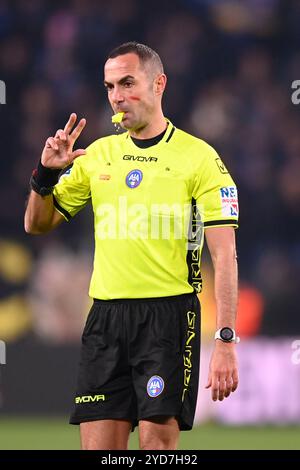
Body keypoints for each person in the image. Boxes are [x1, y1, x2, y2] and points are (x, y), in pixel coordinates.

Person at [24, 42, 239, 450]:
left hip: (169, 319)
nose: (117, 97)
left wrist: (226, 339)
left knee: (157, 447)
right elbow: (36, 224)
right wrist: (45, 177)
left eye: (127, 83)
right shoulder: (97, 155)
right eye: (109, 87)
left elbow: (224, 256)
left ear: (159, 84)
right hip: (105, 318)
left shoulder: (200, 159)